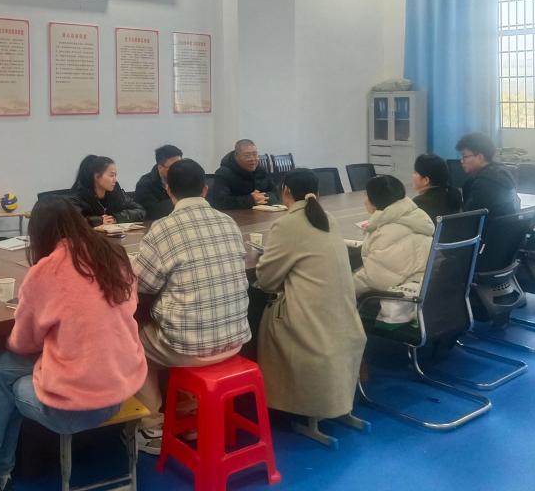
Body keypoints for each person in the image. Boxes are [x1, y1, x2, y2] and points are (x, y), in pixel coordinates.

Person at [0, 198, 147, 491]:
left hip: (74, 408)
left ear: (39, 234)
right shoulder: (114, 256)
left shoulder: (45, 272)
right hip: (120, 389)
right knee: (2, 368)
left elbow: (23, 342)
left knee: (4, 377)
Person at [133, 159, 251, 455]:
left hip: (190, 348)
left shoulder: (163, 229)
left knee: (133, 343)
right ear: (205, 189)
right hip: (235, 340)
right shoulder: (228, 222)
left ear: (168, 190)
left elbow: (141, 285)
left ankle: (151, 427)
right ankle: (191, 416)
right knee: (186, 322)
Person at [255, 169, 366, 421]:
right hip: (342, 317)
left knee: (265, 314)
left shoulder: (286, 224)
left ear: (285, 191)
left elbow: (266, 280)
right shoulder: (329, 219)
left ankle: (280, 399)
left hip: (308, 322)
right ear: (318, 192)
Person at [354, 175, 434, 327]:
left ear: (374, 200)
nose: (364, 200)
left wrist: (344, 288)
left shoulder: (385, 233)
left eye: (366, 195)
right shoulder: (417, 218)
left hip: (403, 304)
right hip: (427, 295)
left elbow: (374, 280)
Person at [456, 132, 520, 219]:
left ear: (480, 157)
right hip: (509, 226)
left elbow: (468, 218)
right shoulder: (504, 172)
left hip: (492, 227)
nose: (461, 161)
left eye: (464, 156)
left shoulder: (483, 183)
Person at [68, 155, 145, 226]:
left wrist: (116, 218)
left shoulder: (116, 191)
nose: (115, 180)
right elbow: (71, 221)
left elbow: (140, 211)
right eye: (111, 175)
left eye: (115, 175)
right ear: (97, 176)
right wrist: (99, 220)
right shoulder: (77, 196)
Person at [210, 139, 278, 209]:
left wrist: (262, 197)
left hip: (262, 212)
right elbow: (219, 202)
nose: (252, 159)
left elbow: (276, 193)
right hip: (236, 214)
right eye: (247, 155)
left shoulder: (261, 170)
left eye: (255, 154)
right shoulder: (223, 173)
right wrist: (251, 200)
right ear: (236, 156)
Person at [133, 144, 183, 221]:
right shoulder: (145, 184)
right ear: (160, 167)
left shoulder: (185, 178)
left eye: (180, 165)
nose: (179, 170)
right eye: (174, 167)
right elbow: (150, 213)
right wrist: (179, 201)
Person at [411, 154, 463, 222]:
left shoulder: (419, 202)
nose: (412, 175)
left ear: (426, 180)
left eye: (415, 172)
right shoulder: (454, 194)